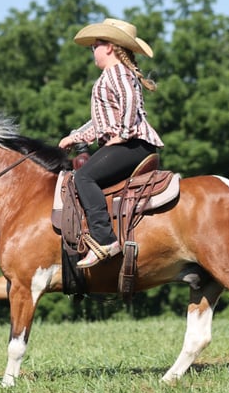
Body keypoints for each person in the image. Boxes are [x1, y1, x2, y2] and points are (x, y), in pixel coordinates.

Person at [59, 18, 164, 268]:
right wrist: (75, 137)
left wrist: (123, 135)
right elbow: (102, 121)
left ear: (109, 47)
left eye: (94, 46)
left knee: (83, 178)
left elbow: (128, 103)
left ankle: (105, 240)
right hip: (129, 143)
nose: (92, 51)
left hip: (133, 144)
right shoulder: (113, 74)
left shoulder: (117, 72)